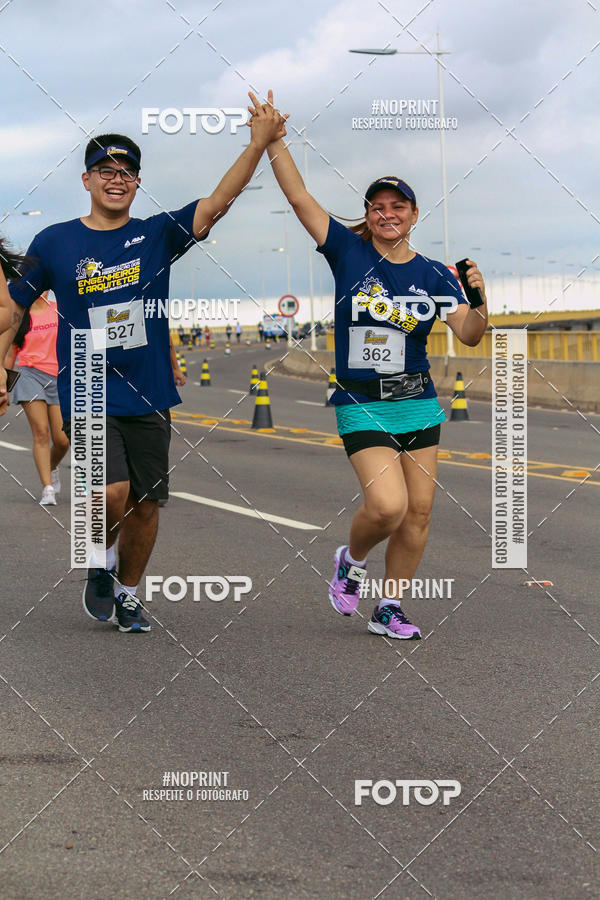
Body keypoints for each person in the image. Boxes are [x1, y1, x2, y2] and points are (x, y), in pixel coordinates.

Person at [0, 98, 287, 634]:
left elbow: (219, 202)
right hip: (85, 385)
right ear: (87, 179)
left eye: (127, 172)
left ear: (137, 183)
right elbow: (13, 309)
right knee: (110, 492)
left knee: (147, 506)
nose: (117, 179)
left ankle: (127, 590)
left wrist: (257, 144)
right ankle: (97, 558)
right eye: (106, 170)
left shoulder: (156, 235)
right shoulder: (54, 241)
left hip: (150, 390)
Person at [258, 96, 488, 639]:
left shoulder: (434, 274)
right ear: (368, 214)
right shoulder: (346, 252)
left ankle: (389, 608)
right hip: (363, 403)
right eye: (378, 206)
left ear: (413, 214)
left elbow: (472, 335)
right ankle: (351, 559)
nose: (388, 214)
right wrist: (275, 141)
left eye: (398, 206)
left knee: (420, 513)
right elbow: (298, 197)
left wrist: (481, 298)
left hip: (419, 401)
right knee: (387, 507)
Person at [4, 291, 70, 505]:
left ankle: (51, 467)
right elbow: (10, 351)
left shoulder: (59, 309)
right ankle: (47, 488)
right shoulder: (20, 314)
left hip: (58, 375)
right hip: (29, 373)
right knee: (41, 432)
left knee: (62, 440)